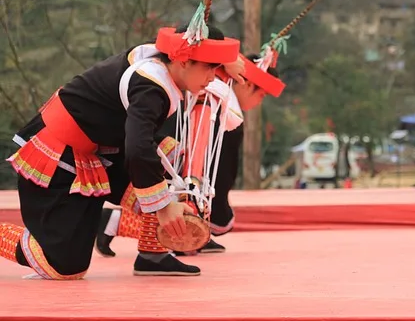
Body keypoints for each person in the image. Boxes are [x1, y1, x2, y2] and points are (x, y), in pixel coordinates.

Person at [0, 18, 241, 279]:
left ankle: (153, 255)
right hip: (58, 154)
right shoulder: (150, 85)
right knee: (63, 266)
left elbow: (142, 146)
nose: (212, 77)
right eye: (209, 68)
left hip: (100, 150)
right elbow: (137, 148)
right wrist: (164, 206)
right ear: (183, 61)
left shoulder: (160, 61)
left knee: (167, 154)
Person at [96, 50, 283, 259]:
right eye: (261, 95)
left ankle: (123, 224)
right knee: (191, 220)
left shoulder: (192, 87)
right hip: (146, 159)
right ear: (247, 84)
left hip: (140, 152)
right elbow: (220, 172)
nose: (259, 102)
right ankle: (117, 223)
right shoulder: (209, 99)